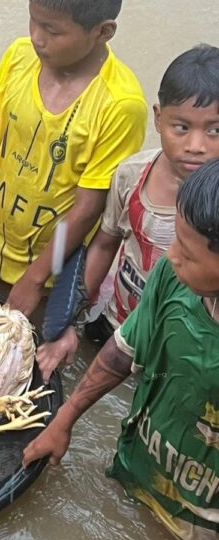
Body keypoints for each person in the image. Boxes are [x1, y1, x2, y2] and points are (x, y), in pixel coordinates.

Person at [24, 159, 219, 540]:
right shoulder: (171, 277)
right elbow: (122, 351)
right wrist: (65, 418)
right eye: (175, 239)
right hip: (138, 468)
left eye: (188, 252)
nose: (171, 255)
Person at [0, 0, 147, 318]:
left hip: (50, 277)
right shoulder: (18, 58)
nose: (36, 37)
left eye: (53, 31)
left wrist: (35, 279)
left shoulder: (120, 105)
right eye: (33, 20)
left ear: (103, 31)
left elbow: (88, 208)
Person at [37, 44, 219, 381]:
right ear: (158, 118)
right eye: (181, 127)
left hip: (180, 352)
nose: (196, 145)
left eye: (215, 130)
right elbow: (104, 245)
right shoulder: (131, 176)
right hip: (116, 322)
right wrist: (69, 322)